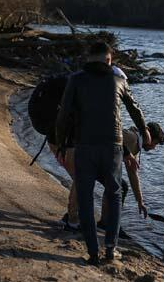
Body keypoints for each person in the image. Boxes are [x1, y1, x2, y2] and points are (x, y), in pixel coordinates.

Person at [55, 42, 151, 265]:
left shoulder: (76, 80)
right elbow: (134, 108)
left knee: (86, 197)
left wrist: (61, 143)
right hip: (113, 147)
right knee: (114, 194)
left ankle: (92, 251)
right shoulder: (119, 80)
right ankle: (110, 248)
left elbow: (63, 115)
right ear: (109, 60)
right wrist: (144, 129)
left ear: (89, 59)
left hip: (85, 146)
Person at [54, 65, 132, 232]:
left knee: (84, 183)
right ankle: (81, 222)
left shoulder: (87, 93)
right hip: (82, 147)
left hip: (81, 146)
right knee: (86, 183)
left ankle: (78, 220)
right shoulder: (101, 100)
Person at [99, 121, 164, 224]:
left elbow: (133, 174)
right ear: (148, 136)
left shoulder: (136, 147)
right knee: (120, 186)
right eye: (155, 143)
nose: (154, 148)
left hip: (103, 165)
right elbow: (110, 135)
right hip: (94, 159)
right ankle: (110, 223)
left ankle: (107, 222)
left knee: (118, 186)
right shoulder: (132, 137)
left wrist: (140, 201)